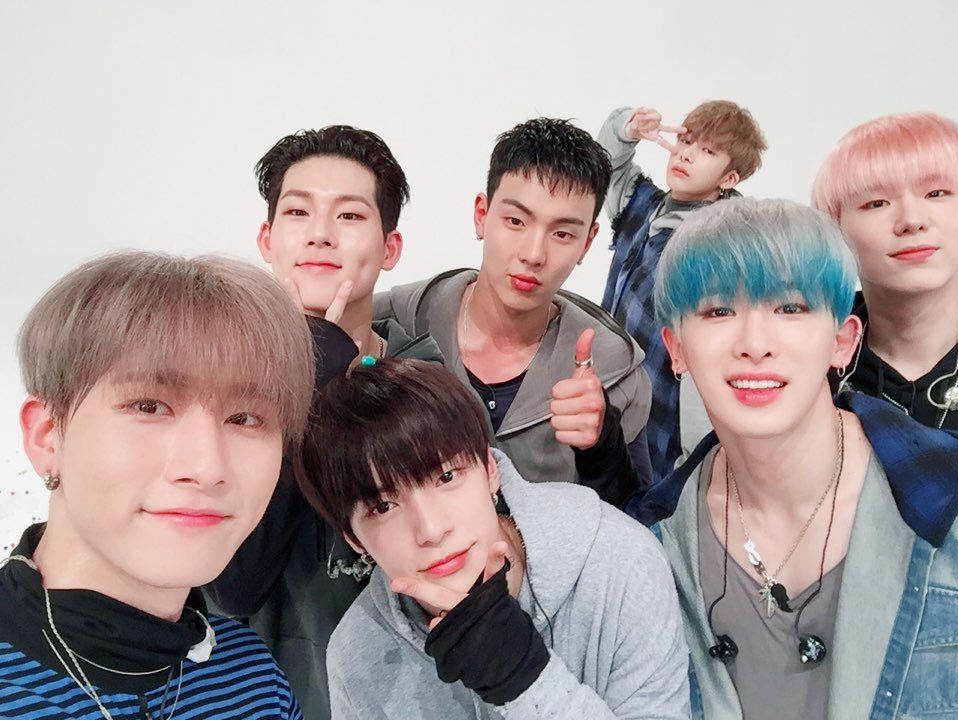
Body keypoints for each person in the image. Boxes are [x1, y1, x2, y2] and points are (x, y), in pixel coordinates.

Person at [628, 198, 958, 719]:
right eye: (718, 311)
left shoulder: (945, 497)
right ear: (676, 349)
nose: (755, 344)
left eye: (790, 308)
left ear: (843, 341)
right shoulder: (651, 544)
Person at [1, 251, 314, 719]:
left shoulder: (255, 677)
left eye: (245, 418)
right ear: (47, 435)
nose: (207, 467)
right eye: (149, 406)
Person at [296, 357, 689, 719]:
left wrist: (523, 678)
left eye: (447, 477)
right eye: (383, 507)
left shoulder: (621, 561)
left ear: (489, 471)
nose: (431, 530)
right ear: (354, 539)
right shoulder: (357, 654)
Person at [204, 125, 442, 719]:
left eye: (350, 216)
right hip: (253, 699)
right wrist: (306, 380)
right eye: (297, 211)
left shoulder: (430, 389)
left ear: (390, 248)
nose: (320, 234)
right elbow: (231, 588)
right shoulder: (210, 386)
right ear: (267, 238)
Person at [375, 117, 652, 504]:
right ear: (481, 215)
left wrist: (602, 450)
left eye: (562, 233)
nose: (534, 254)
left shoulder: (616, 373)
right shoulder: (389, 325)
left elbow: (638, 519)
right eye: (516, 221)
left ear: (587, 243)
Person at [597, 102, 767, 483]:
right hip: (606, 392)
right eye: (686, 141)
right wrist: (626, 127)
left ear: (729, 178)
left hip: (662, 415)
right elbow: (602, 168)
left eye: (707, 151)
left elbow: (715, 351)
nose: (686, 155)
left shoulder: (719, 245)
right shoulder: (642, 204)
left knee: (645, 494)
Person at [812, 111, 958, 430]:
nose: (912, 220)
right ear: (834, 226)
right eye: (876, 203)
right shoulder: (804, 352)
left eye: (936, 193)